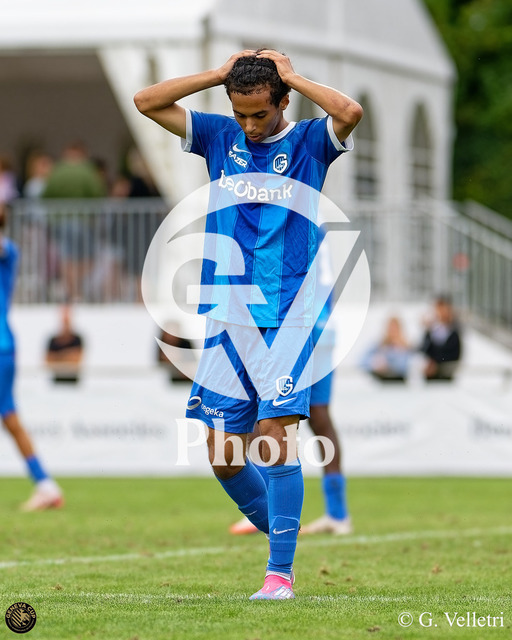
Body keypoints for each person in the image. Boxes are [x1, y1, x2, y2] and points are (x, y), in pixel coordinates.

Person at [134, 48, 362, 599]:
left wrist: (293, 76)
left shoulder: (308, 142)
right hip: (226, 313)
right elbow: (145, 101)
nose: (250, 125)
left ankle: (279, 573)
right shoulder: (219, 136)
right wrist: (219, 74)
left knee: (274, 439)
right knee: (223, 456)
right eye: (240, 113)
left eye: (260, 113)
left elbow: (350, 112)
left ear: (283, 102)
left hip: (286, 315)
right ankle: (282, 528)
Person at [0, 203, 64, 510]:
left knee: (10, 417)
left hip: (1, 347)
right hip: (5, 347)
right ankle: (45, 484)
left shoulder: (7, 250)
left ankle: (46, 485)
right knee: (10, 418)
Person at [420, 295, 462, 381]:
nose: (440, 312)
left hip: (445, 373)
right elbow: (424, 350)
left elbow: (453, 353)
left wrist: (436, 363)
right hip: (430, 374)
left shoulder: (454, 331)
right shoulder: (431, 330)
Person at [360, 316, 411, 382]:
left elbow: (405, 367)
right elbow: (361, 361)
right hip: (380, 383)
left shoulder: (406, 348)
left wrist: (389, 364)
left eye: (395, 328)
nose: (392, 331)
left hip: (398, 384)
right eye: (390, 328)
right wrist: (374, 363)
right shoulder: (378, 345)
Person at [45, 304, 84, 384]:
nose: (65, 323)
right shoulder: (53, 340)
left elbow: (77, 359)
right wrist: (69, 355)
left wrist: (57, 357)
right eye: (64, 320)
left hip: (74, 382)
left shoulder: (77, 339)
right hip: (56, 382)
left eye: (67, 320)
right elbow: (48, 361)